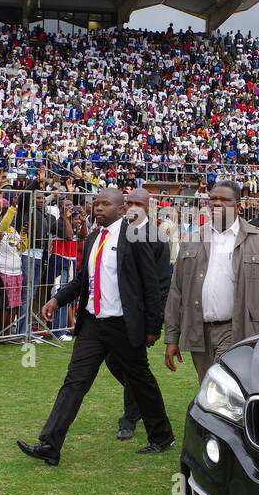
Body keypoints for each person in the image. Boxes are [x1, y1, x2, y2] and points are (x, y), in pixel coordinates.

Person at [17, 188, 174, 466]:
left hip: (124, 325)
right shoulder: (92, 238)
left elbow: (151, 285)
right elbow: (81, 280)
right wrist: (56, 298)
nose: (98, 208)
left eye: (105, 204)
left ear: (120, 208)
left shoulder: (135, 237)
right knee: (74, 382)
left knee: (140, 380)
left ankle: (161, 436)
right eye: (96, 203)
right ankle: (50, 445)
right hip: (91, 323)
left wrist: (153, 327)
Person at [164, 180, 259, 380]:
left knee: (219, 380)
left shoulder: (257, 239)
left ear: (238, 206)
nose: (217, 203)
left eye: (224, 200)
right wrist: (171, 338)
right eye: (213, 199)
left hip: (237, 329)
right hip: (199, 330)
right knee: (208, 385)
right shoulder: (193, 238)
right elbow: (176, 291)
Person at [109, 188, 172, 440]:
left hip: (138, 316)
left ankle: (130, 418)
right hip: (112, 311)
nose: (134, 207)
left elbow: (160, 284)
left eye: (139, 203)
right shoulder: (119, 232)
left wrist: (153, 324)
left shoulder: (156, 239)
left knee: (132, 365)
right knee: (117, 363)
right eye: (130, 203)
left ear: (149, 206)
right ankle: (141, 397)